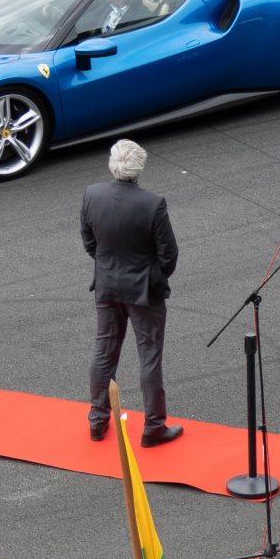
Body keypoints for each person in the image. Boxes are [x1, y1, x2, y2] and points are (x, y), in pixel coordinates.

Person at [81, 139, 182, 446]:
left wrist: (109, 267)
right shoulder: (152, 203)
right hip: (144, 292)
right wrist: (152, 277)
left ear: (113, 164)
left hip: (107, 285)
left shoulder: (92, 195)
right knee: (149, 356)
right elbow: (169, 255)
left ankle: (97, 421)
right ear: (139, 167)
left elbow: (90, 244)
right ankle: (153, 426)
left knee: (104, 352)